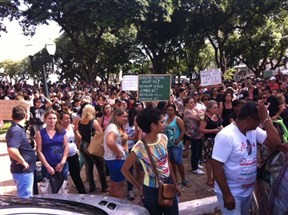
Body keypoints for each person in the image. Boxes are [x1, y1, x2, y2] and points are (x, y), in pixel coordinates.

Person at [211, 101, 281, 215]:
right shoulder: (226, 135)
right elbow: (217, 166)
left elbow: (276, 142)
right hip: (232, 192)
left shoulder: (253, 131)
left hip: (247, 191)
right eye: (259, 121)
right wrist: (227, 194)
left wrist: (266, 120)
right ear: (250, 119)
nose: (260, 124)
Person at [121, 108, 181, 215]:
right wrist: (139, 188)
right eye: (162, 122)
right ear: (153, 125)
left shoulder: (163, 138)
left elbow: (167, 163)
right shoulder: (139, 147)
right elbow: (125, 170)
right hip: (150, 191)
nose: (164, 124)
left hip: (168, 184)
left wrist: (175, 183)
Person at [6, 105, 36, 198]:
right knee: (25, 198)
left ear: (12, 116)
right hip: (23, 171)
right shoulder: (17, 131)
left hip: (23, 171)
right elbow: (12, 149)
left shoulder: (16, 129)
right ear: (26, 116)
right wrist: (23, 161)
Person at [77, 104, 108, 193]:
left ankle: (92, 186)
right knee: (100, 166)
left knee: (89, 166)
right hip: (91, 146)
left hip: (83, 145)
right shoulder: (93, 122)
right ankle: (104, 186)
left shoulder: (81, 121)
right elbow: (101, 133)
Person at [35, 109, 69, 191]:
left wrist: (62, 162)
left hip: (61, 165)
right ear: (45, 119)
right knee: (48, 189)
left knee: (63, 188)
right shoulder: (40, 133)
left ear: (57, 119)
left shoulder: (61, 131)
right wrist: (47, 166)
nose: (52, 120)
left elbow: (66, 147)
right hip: (48, 165)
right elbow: (39, 151)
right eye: (50, 118)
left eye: (54, 118)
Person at [104, 107, 128, 198]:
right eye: (124, 116)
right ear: (117, 117)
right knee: (119, 186)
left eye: (126, 116)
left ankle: (111, 204)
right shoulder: (113, 128)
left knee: (114, 185)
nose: (126, 118)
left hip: (114, 159)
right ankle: (119, 208)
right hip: (116, 160)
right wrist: (119, 152)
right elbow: (109, 142)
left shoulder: (116, 126)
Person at [59, 112, 86, 194]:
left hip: (73, 154)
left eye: (69, 118)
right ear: (60, 120)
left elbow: (79, 138)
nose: (67, 120)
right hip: (63, 156)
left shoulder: (72, 127)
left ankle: (82, 192)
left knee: (76, 174)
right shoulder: (58, 129)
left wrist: (76, 132)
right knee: (63, 175)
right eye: (65, 119)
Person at [199, 100, 222, 187]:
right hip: (209, 140)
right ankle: (209, 178)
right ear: (209, 109)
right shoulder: (204, 117)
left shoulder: (217, 116)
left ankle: (215, 177)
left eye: (217, 107)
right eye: (214, 108)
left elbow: (219, 124)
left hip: (217, 140)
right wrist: (213, 130)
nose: (216, 109)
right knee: (209, 160)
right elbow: (201, 129)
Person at [164, 104, 188, 186]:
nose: (170, 112)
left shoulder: (177, 119)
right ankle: (175, 179)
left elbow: (183, 130)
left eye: (171, 110)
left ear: (174, 111)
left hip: (176, 144)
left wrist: (178, 140)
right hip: (168, 144)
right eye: (168, 110)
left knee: (178, 161)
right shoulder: (165, 120)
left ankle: (183, 179)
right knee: (171, 162)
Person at [183, 97, 204, 175]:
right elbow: (199, 118)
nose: (193, 104)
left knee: (198, 150)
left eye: (193, 102)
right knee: (195, 151)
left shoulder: (193, 110)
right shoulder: (187, 112)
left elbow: (202, 116)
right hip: (193, 133)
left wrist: (200, 114)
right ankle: (194, 168)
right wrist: (201, 114)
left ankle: (197, 163)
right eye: (191, 102)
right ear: (186, 104)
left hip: (198, 132)